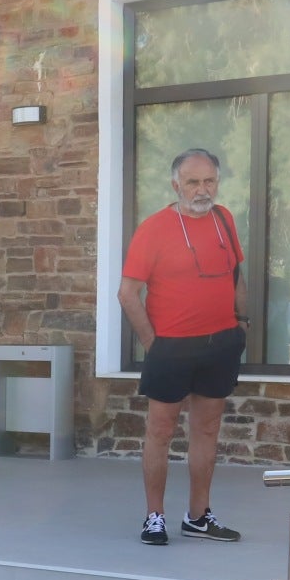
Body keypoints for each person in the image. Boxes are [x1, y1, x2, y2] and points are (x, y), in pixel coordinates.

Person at [119, 147, 246, 545]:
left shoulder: (224, 219)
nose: (202, 189)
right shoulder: (154, 228)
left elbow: (236, 275)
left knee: (207, 430)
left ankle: (198, 516)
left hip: (220, 343)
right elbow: (127, 293)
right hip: (171, 347)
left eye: (209, 180)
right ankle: (154, 517)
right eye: (193, 182)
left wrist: (241, 325)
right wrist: (153, 344)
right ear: (176, 185)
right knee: (160, 432)